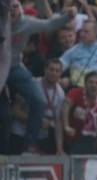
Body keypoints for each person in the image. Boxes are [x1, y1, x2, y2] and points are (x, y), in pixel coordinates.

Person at [7, 0, 75, 153]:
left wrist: (67, 17)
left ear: (20, 9)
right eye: (9, 8)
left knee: (39, 100)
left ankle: (29, 145)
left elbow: (49, 25)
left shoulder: (27, 23)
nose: (12, 11)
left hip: (14, 66)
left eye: (15, 7)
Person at [61, 71, 97, 154]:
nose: (93, 85)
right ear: (85, 84)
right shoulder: (75, 92)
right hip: (71, 137)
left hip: (90, 140)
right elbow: (66, 105)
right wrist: (66, 126)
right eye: (90, 82)